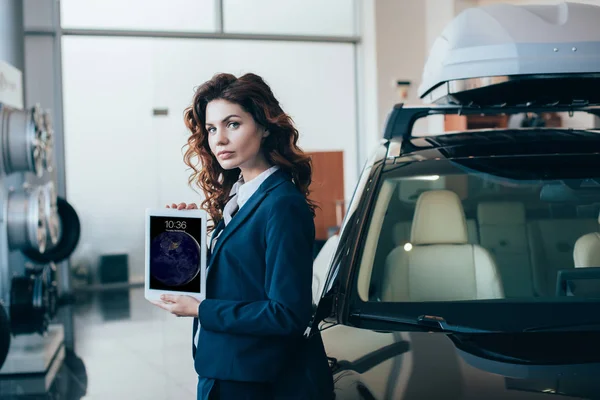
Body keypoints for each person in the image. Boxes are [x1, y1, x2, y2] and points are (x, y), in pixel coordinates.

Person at [151, 73, 334, 400]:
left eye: (232, 124)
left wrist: (200, 310)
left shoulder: (281, 204)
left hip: (252, 381)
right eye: (211, 129)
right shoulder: (239, 197)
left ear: (264, 127)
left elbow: (287, 314)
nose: (219, 139)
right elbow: (238, 277)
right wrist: (187, 242)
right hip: (222, 369)